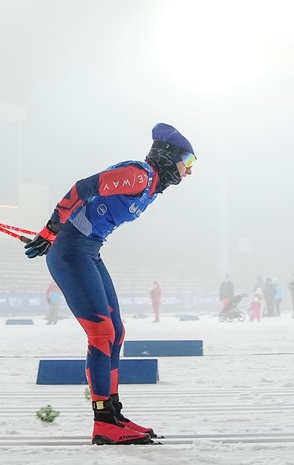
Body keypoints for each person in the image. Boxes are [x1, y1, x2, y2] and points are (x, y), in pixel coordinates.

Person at [23, 122, 195, 445]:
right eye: (187, 161)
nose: (188, 171)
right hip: (71, 251)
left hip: (89, 250)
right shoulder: (139, 175)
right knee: (101, 333)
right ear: (169, 155)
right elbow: (83, 188)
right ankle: (103, 422)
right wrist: (51, 229)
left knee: (117, 331)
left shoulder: (152, 186)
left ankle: (113, 413)